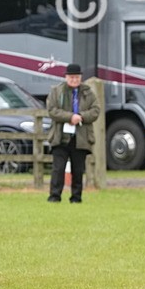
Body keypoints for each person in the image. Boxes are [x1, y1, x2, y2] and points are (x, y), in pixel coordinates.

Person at [47, 63, 100, 203]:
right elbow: (52, 110)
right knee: (58, 169)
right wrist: (70, 117)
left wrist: (81, 116)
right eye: (71, 77)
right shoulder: (57, 91)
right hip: (60, 136)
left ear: (80, 77)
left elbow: (95, 111)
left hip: (80, 137)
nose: (74, 80)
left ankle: (76, 197)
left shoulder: (88, 92)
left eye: (76, 77)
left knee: (78, 169)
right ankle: (54, 196)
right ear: (66, 77)